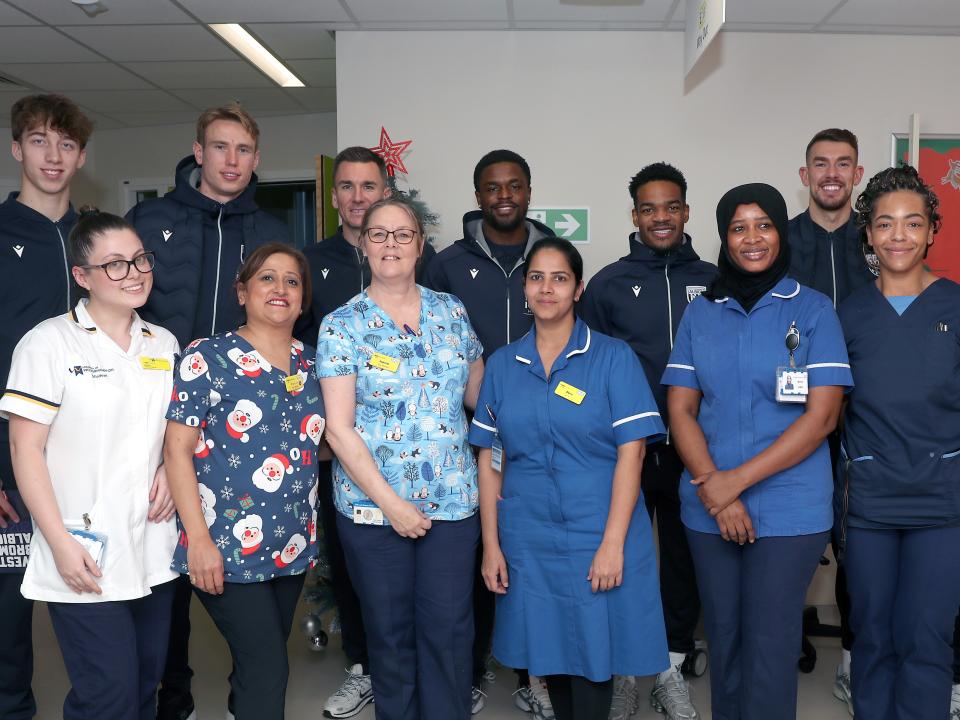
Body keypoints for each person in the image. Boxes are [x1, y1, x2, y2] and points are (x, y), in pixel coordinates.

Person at [663, 183, 852, 720]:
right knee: (724, 637)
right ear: (724, 238)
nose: (752, 238)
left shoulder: (813, 311)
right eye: (738, 227)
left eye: (763, 225)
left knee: (771, 642)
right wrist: (718, 492)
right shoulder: (702, 313)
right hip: (709, 500)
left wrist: (734, 483)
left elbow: (822, 418)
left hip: (791, 506)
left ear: (781, 232)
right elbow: (681, 411)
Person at [127, 104, 290, 720]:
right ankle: (173, 700)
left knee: (243, 579)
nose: (231, 160)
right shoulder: (151, 220)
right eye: (219, 147)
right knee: (166, 579)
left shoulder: (270, 229)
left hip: (246, 438)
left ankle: (245, 700)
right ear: (198, 151)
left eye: (243, 150)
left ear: (256, 158)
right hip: (158, 421)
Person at [469, 237, 669, 720]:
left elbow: (632, 453)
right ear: (524, 288)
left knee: (596, 660)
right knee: (551, 653)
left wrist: (612, 544)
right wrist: (492, 545)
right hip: (529, 537)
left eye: (560, 278)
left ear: (578, 289)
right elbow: (491, 459)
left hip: (598, 530)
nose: (547, 289)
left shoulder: (613, 358)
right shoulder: (502, 365)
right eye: (536, 277)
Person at [1, 210, 178, 720]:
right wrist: (58, 541)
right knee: (109, 695)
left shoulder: (161, 344)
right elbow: (24, 449)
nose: (136, 273)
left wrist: (168, 467)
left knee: (145, 687)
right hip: (81, 547)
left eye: (140, 259)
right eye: (116, 265)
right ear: (82, 276)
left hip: (152, 543)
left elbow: (173, 430)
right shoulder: (48, 343)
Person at [317, 197, 484, 720]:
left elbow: (482, 396)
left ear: (420, 245)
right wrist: (394, 506)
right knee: (390, 635)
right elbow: (339, 431)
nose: (391, 245)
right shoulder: (342, 325)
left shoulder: (451, 311)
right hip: (373, 509)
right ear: (364, 246)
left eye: (403, 235)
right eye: (379, 235)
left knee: (450, 630)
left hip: (453, 504)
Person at [300, 146, 435, 719]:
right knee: (355, 571)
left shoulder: (424, 273)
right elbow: (291, 340)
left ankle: (419, 677)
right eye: (347, 186)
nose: (358, 196)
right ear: (334, 197)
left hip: (420, 458)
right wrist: (321, 425)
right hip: (337, 446)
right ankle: (364, 668)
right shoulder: (312, 262)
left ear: (387, 194)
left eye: (369, 186)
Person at [163, 242, 323, 720]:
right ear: (242, 291)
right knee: (268, 667)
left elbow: (321, 441)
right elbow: (176, 450)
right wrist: (198, 542)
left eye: (291, 281)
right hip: (224, 548)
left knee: (260, 658)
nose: (280, 289)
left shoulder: (313, 362)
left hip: (292, 545)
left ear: (303, 298)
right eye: (267, 278)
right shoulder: (205, 357)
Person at [579, 162, 715, 720]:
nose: (661, 217)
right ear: (634, 215)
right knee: (625, 557)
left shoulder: (714, 278)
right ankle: (621, 672)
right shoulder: (609, 282)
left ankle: (671, 664)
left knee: (683, 560)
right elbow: (585, 366)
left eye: (672, 206)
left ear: (686, 210)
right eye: (649, 208)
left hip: (695, 448)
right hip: (627, 450)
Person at [423, 148, 554, 716]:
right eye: (493, 188)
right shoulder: (447, 264)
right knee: (475, 551)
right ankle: (473, 670)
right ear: (478, 196)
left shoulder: (550, 258)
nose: (504, 196)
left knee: (530, 548)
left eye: (515, 186)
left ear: (529, 191)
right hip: (463, 434)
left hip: (538, 433)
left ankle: (535, 675)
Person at [837, 165, 960, 720]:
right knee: (873, 638)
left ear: (933, 229)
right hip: (871, 504)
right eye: (885, 224)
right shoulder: (848, 315)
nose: (899, 236)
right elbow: (826, 414)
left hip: (943, 504)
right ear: (868, 233)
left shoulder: (956, 307)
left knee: (927, 640)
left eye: (912, 223)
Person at [0, 93, 92, 720]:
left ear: (81, 156)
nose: (52, 155)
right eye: (39, 140)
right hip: (11, 458)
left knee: (93, 598)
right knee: (8, 614)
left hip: (90, 455)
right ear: (16, 149)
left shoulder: (99, 238)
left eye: (65, 144)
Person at [787, 128, 874, 714]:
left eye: (843, 163)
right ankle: (783, 635)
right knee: (787, 531)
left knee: (857, 541)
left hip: (866, 416)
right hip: (789, 414)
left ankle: (852, 653)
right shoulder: (780, 239)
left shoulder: (880, 240)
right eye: (821, 163)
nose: (832, 173)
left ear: (858, 173)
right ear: (804, 175)